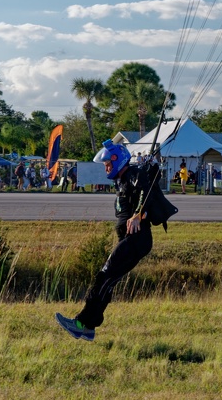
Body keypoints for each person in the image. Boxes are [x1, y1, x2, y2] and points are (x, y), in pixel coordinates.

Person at [55, 139, 176, 341]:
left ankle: (81, 323)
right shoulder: (124, 179)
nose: (106, 167)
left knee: (103, 278)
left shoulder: (134, 175)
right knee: (107, 282)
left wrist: (138, 214)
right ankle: (89, 327)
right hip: (131, 240)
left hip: (138, 239)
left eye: (108, 163)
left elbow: (144, 192)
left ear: (118, 161)